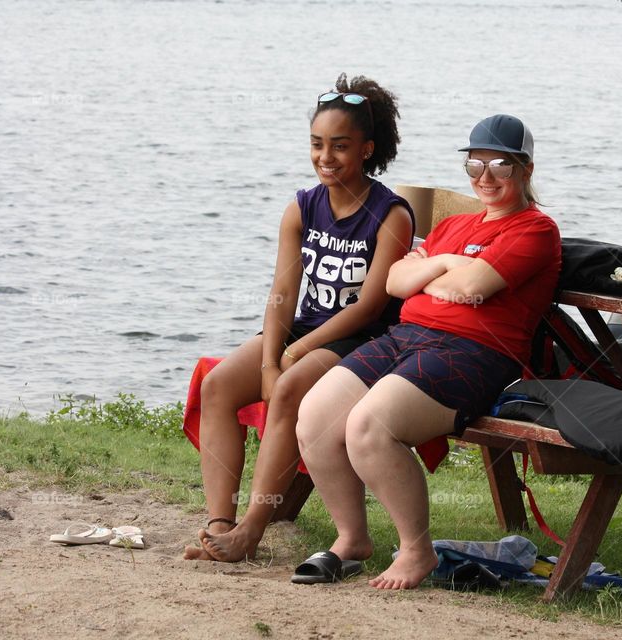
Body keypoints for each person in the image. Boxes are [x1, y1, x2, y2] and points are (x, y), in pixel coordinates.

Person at [295, 114, 561, 588]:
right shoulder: (454, 226)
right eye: (474, 166)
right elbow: (396, 282)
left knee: (368, 426)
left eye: (499, 165)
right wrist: (444, 262)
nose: (485, 177)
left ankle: (417, 551)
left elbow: (475, 285)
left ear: (525, 169)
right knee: (315, 416)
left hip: (475, 352)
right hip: (406, 338)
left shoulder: (535, 230)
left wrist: (438, 275)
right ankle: (351, 539)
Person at [184, 74, 414, 562]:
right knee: (218, 386)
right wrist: (271, 357)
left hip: (364, 340)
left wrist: (296, 352)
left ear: (368, 149)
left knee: (290, 388)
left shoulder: (390, 213)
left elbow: (370, 306)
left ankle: (251, 530)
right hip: (307, 328)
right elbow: (283, 292)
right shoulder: (302, 206)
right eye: (317, 145)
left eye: (340, 146)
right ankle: (219, 523)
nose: (326, 157)